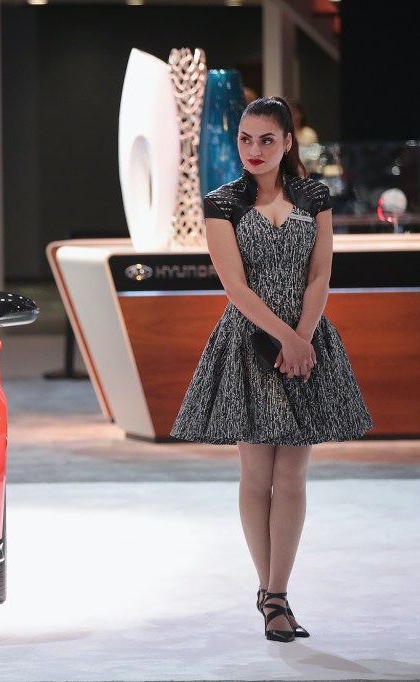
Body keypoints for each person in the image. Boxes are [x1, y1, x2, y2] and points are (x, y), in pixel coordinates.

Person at [170, 97, 372, 643]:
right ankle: (269, 596)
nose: (253, 150)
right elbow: (234, 287)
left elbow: (319, 276)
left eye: (265, 139)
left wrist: (303, 337)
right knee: (257, 477)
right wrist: (287, 338)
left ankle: (278, 590)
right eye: (244, 139)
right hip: (250, 343)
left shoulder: (314, 196)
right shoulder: (222, 202)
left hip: (306, 339)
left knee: (293, 477)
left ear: (287, 143)